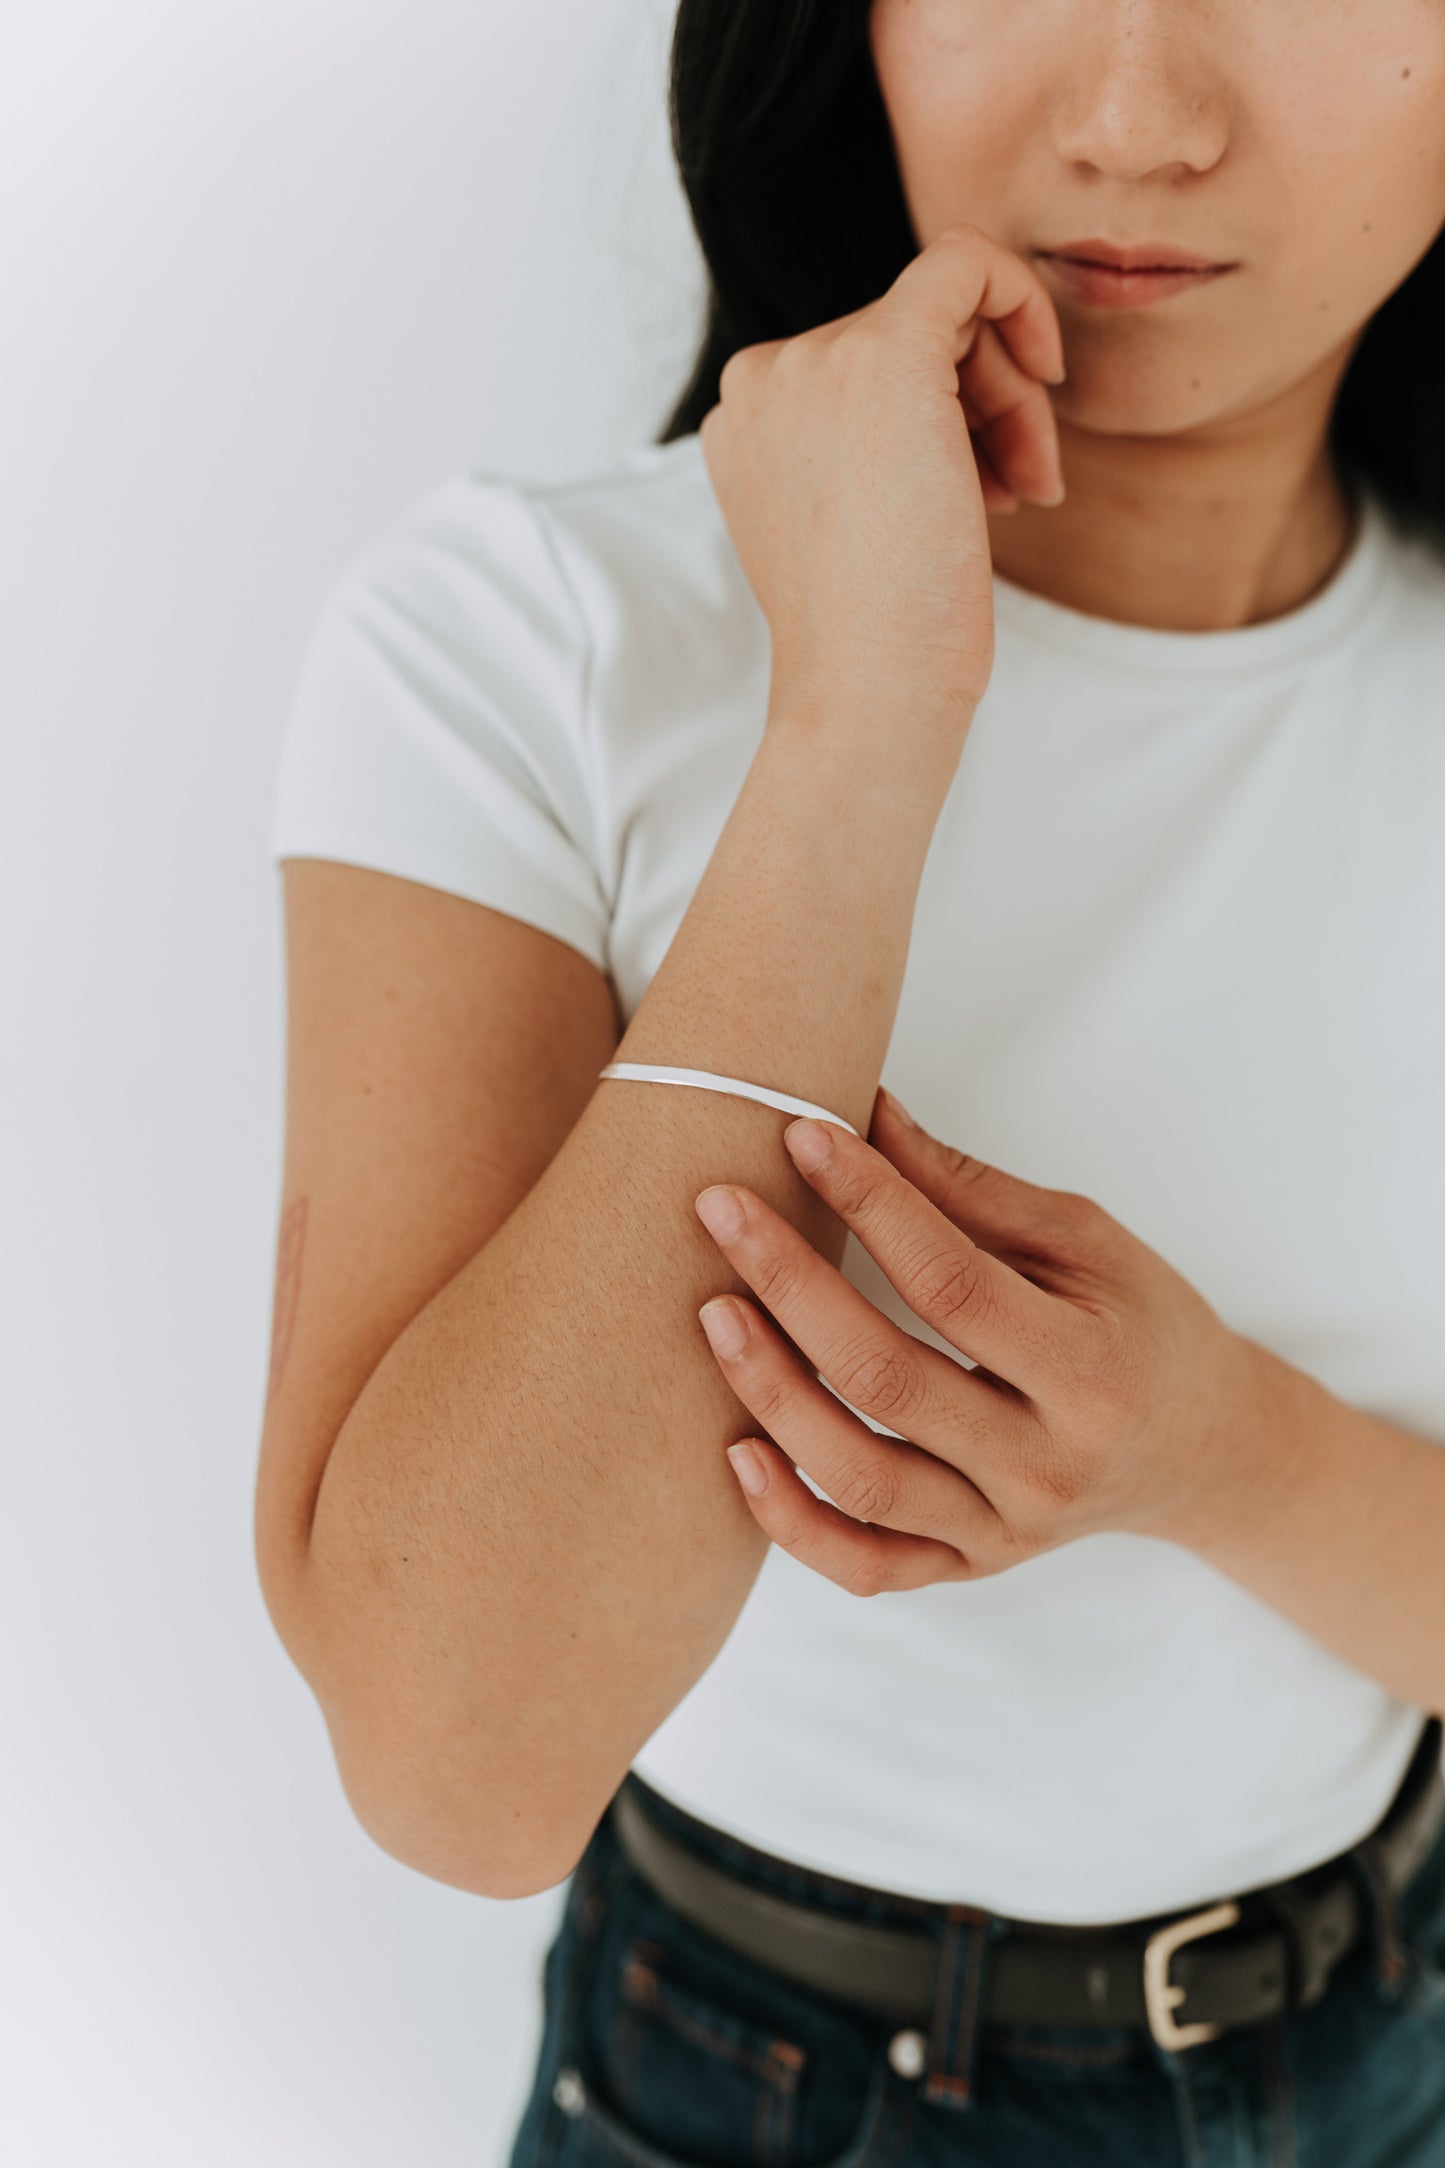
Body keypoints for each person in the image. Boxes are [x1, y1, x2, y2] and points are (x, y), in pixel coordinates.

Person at [255, 0, 1445, 2160]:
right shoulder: (526, 641)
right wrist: (862, 720)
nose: (1139, 118)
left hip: (1400, 2034)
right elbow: (460, 1761)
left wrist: (1217, 1452)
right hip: (753, 2076)